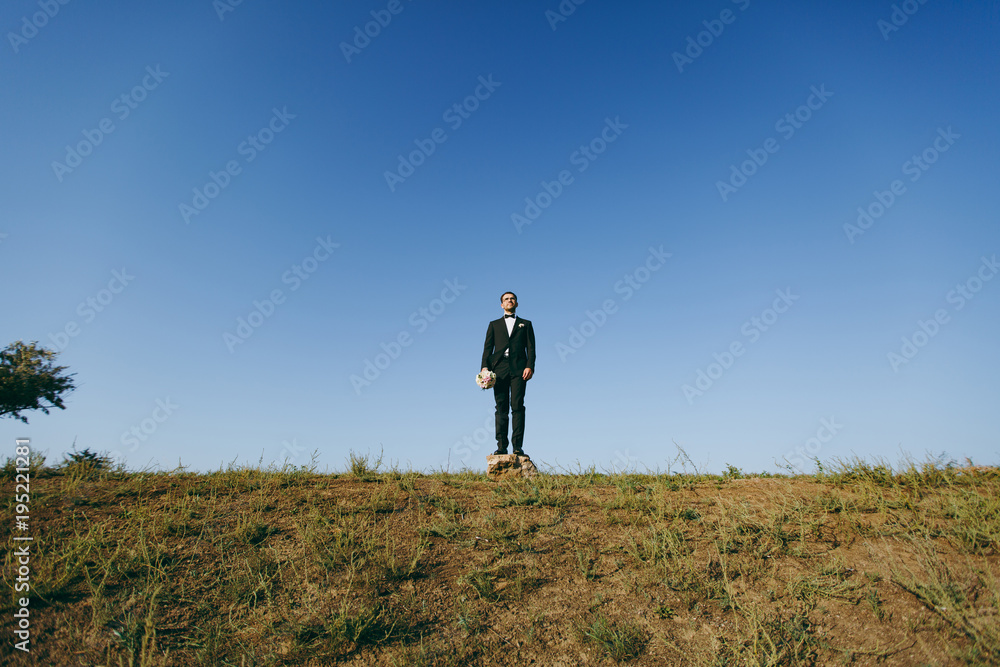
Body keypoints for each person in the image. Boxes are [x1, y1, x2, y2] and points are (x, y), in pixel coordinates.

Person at [481, 292, 536, 456]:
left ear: (516, 304)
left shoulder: (526, 324)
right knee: (501, 408)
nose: (509, 301)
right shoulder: (494, 324)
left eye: (512, 299)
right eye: (506, 299)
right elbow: (487, 348)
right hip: (499, 369)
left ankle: (517, 447)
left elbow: (531, 348)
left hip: (519, 369)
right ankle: (501, 447)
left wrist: (530, 366)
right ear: (501, 305)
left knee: (518, 406)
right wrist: (484, 367)